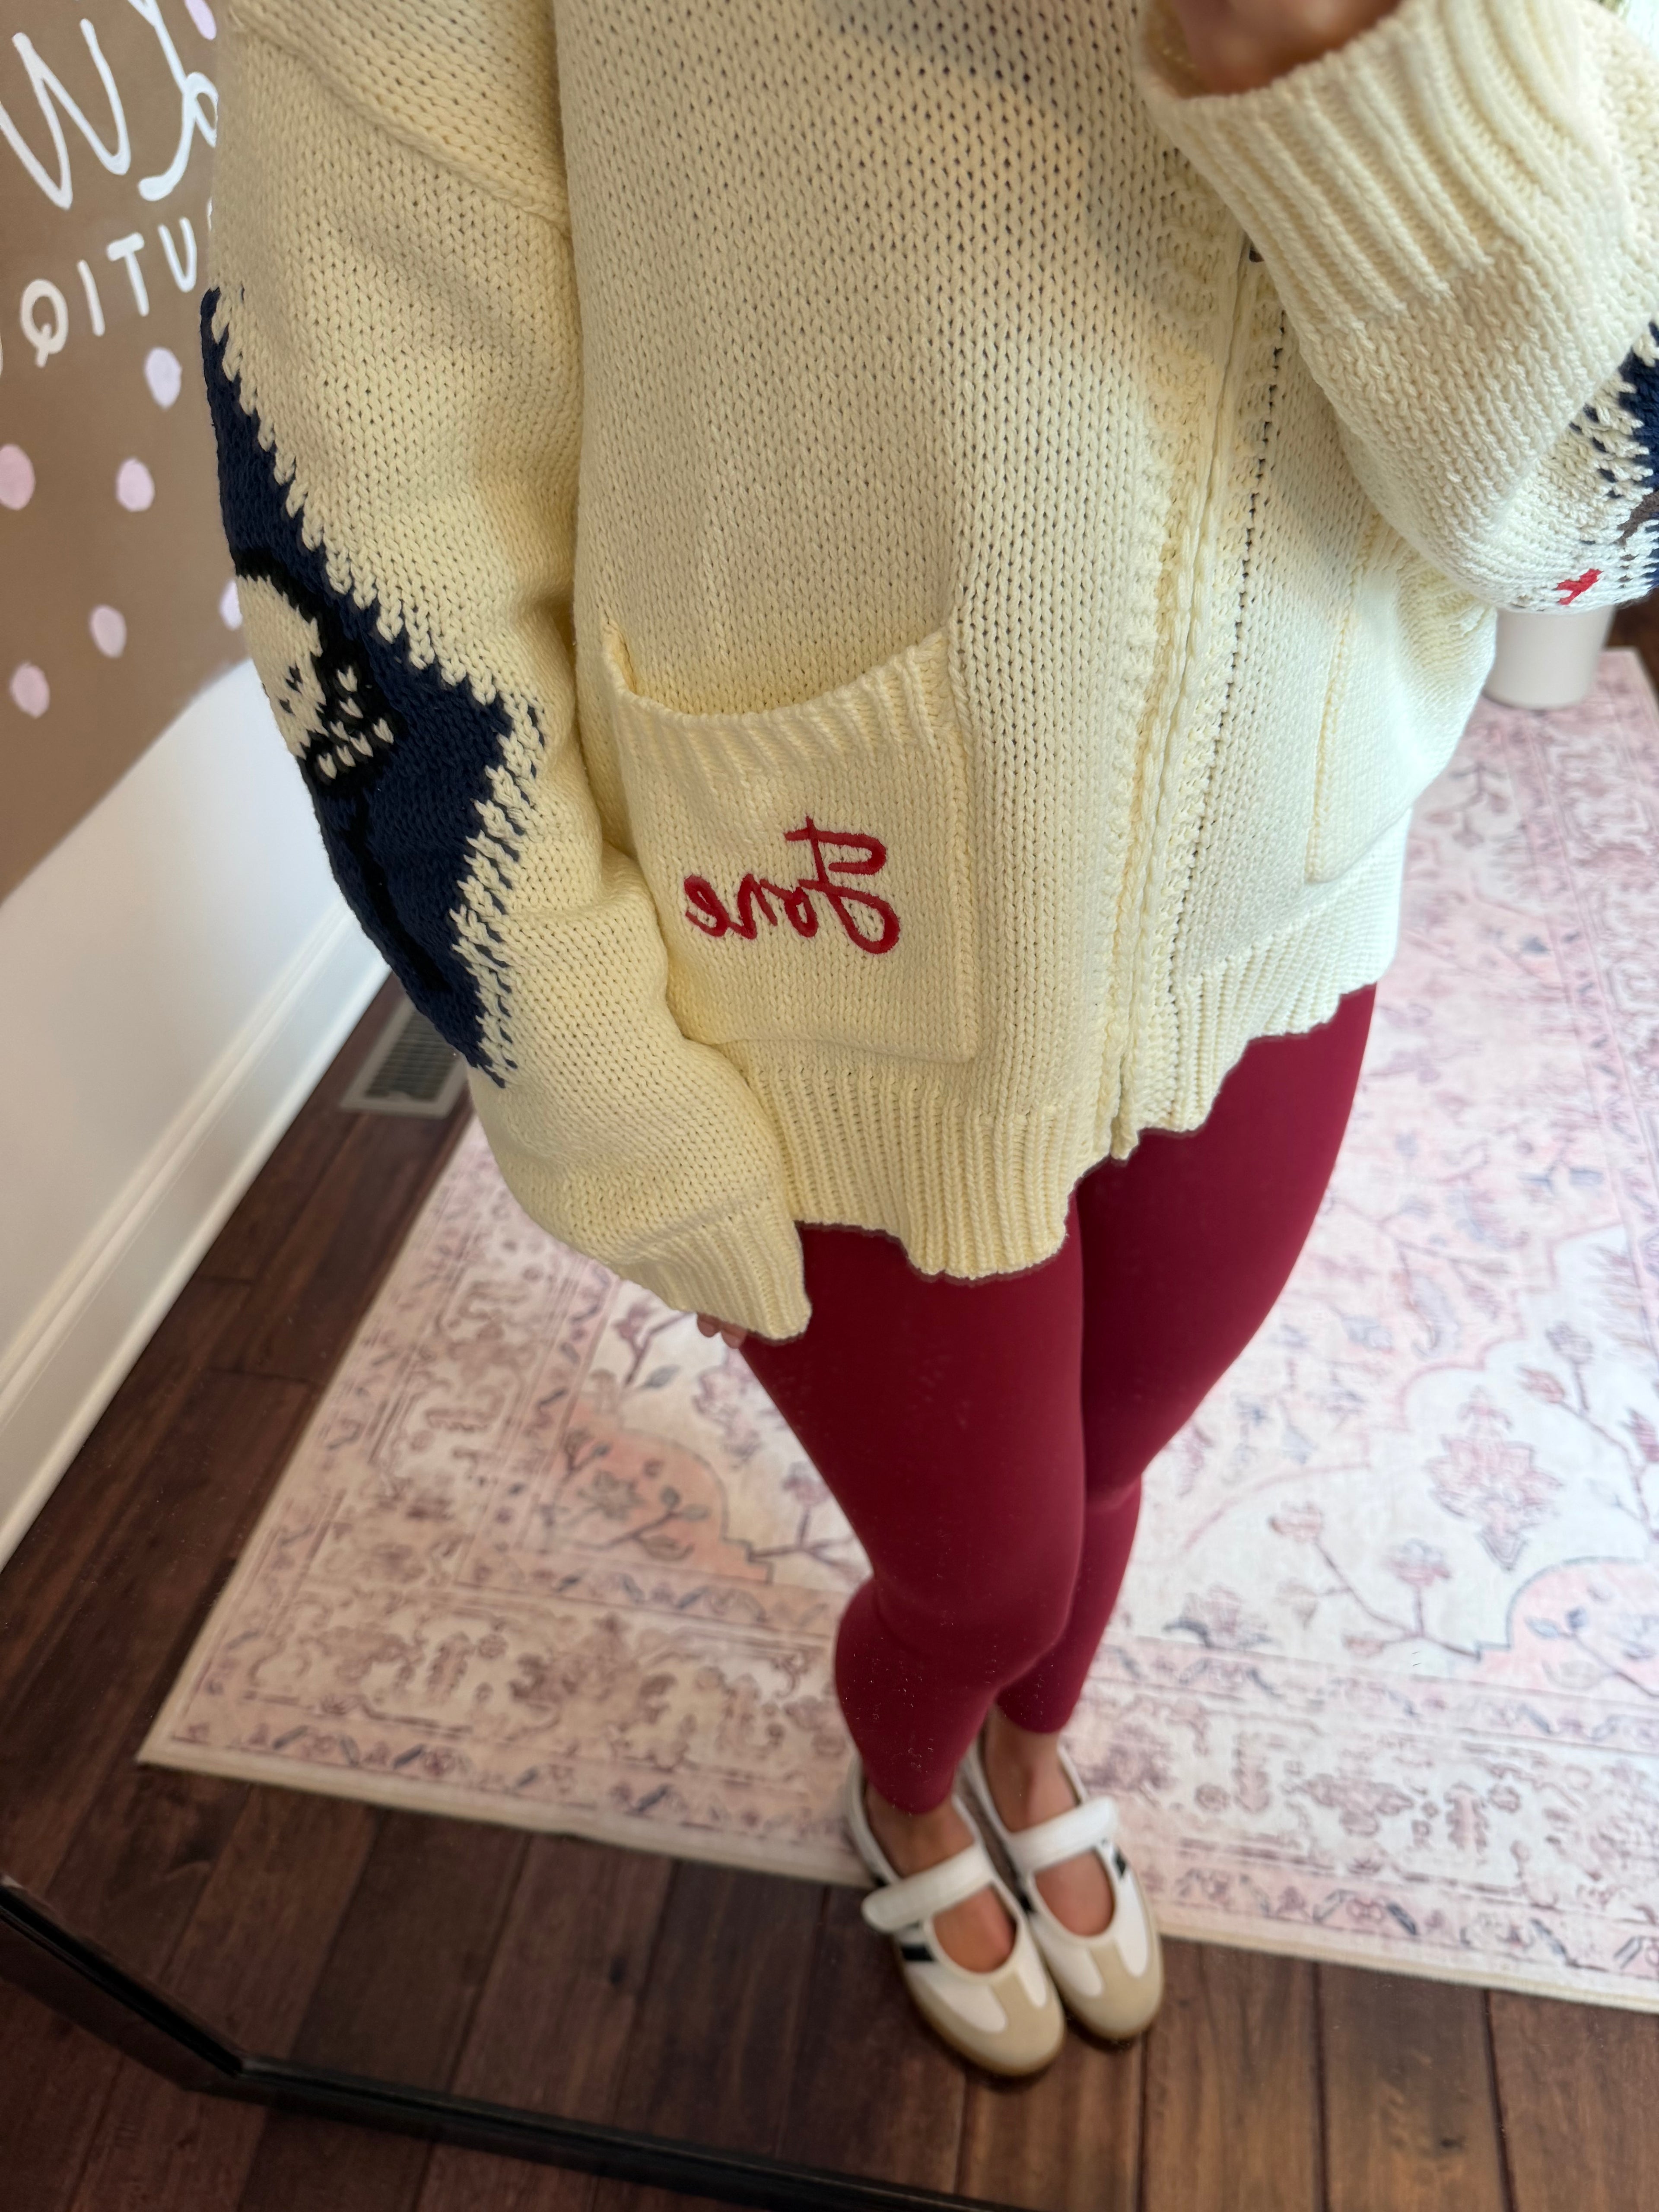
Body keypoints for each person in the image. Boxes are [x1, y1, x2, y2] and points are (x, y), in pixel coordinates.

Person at [202, 0, 1659, 2076]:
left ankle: (1038, 1754)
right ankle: (911, 1781)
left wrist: (1367, 72)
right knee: (977, 1562)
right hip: (814, 951)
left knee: (1111, 1462)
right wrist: (583, 1061)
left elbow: (1607, 510)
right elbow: (367, 454)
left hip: (1294, 895)